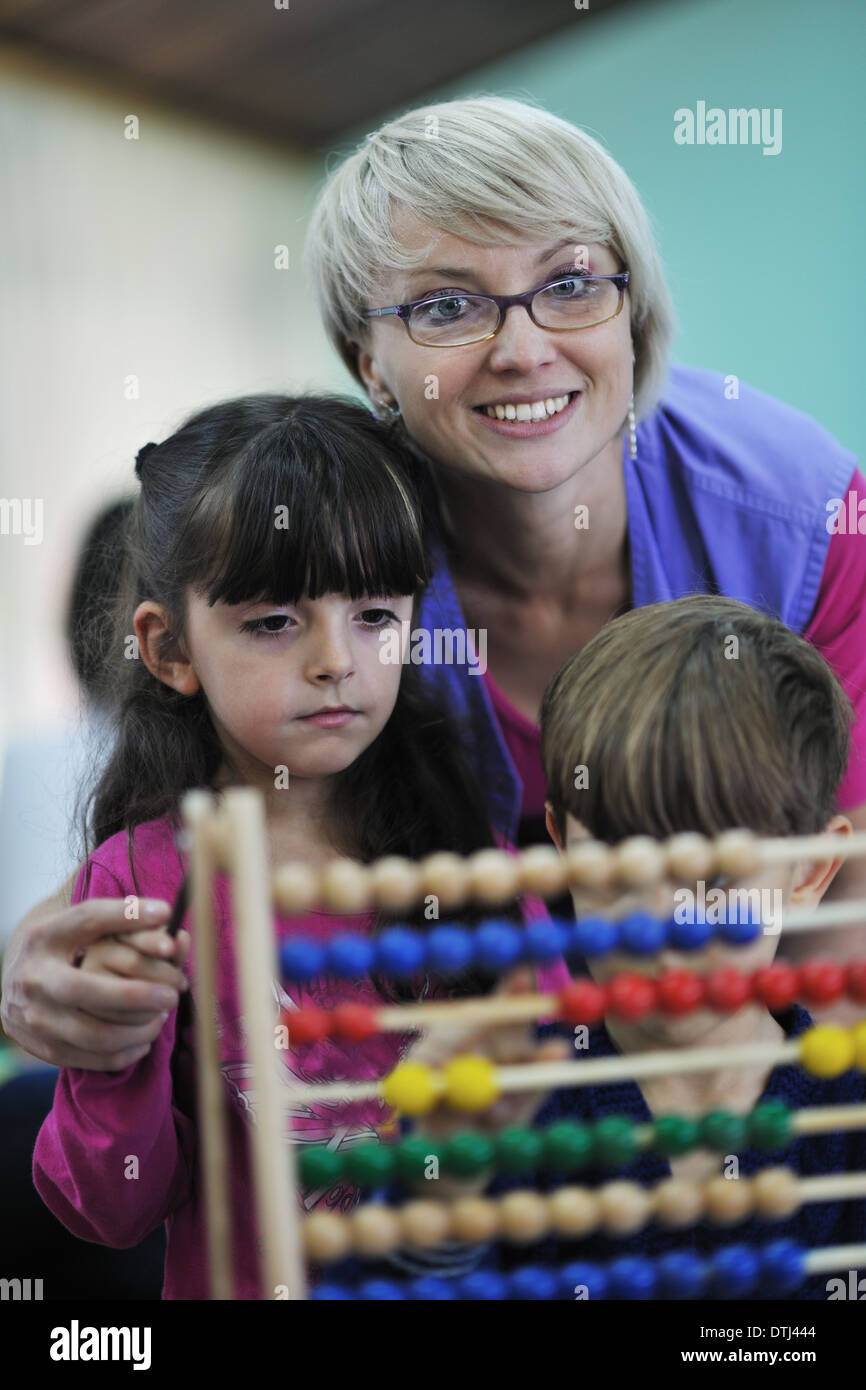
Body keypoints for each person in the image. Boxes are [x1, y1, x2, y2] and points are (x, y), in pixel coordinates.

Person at [5, 93, 866, 1066]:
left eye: (572, 283)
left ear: (635, 313)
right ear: (365, 360)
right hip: (450, 1103)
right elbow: (186, 815)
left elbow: (836, 912)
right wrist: (40, 966)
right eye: (445, 306)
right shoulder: (332, 545)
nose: (522, 348)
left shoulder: (804, 518)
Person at [30, 394, 565, 1299]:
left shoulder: (458, 847)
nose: (336, 660)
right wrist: (113, 1056)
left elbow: (557, 1093)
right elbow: (112, 1209)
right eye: (275, 622)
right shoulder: (142, 884)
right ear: (169, 648)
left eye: (373, 614)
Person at [521, 595, 865, 1300]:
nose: (663, 923)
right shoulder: (516, 1115)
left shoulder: (849, 1125)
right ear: (561, 843)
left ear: (807, 871)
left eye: (711, 878)